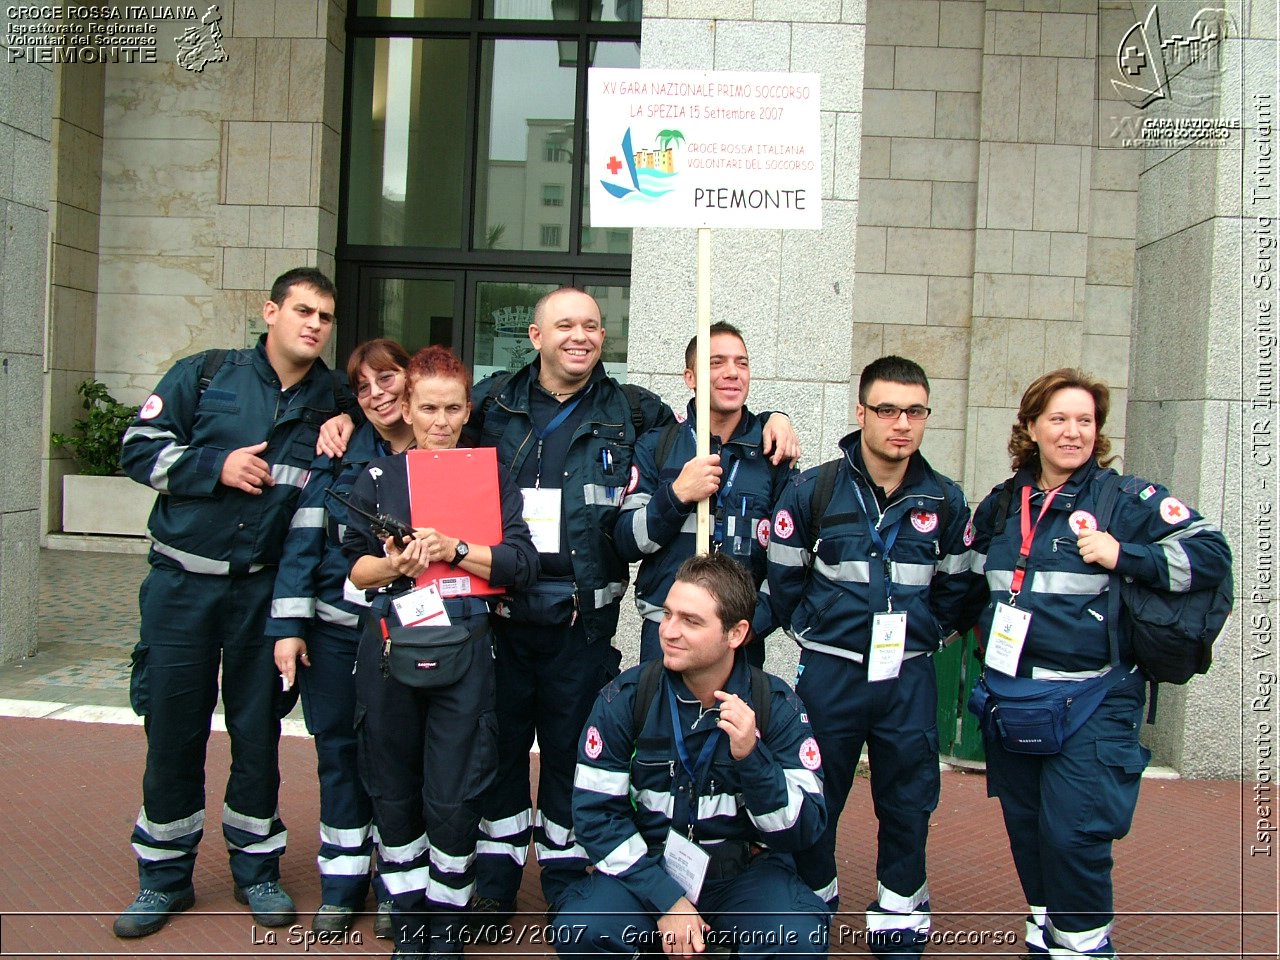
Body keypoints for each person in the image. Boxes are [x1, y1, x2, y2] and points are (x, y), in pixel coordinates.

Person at [461, 288, 800, 922]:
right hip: (502, 612)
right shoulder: (492, 403)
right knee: (499, 751)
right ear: (535, 336)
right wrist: (347, 417)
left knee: (571, 753)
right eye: (565, 324)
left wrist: (774, 415)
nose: (581, 335)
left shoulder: (635, 413)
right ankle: (497, 881)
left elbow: (718, 411)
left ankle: (569, 881)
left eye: (592, 324)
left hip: (579, 619)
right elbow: (427, 420)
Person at [960, 368, 1231, 959]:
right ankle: (1050, 931)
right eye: (1058, 418)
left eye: (1085, 420)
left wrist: (1126, 555)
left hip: (1094, 700)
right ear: (1031, 427)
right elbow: (965, 588)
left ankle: (1083, 946)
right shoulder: (1002, 506)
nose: (1072, 432)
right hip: (1014, 700)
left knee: (1073, 835)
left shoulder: (1128, 502)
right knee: (1028, 831)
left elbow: (1211, 553)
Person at [114, 267, 346, 938]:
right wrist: (212, 467)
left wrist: (344, 420)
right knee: (173, 730)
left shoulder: (335, 399)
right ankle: (163, 879)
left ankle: (257, 870)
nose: (314, 325)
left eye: (325, 316)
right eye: (303, 310)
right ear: (269, 311)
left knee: (259, 734)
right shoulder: (205, 374)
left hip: (262, 593)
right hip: (181, 589)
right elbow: (136, 449)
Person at [764, 356, 972, 958]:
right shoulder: (814, 490)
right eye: (886, 409)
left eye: (914, 411)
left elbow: (959, 589)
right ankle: (812, 899)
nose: (900, 423)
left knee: (908, 800)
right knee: (817, 791)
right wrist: (819, 631)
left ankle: (899, 913)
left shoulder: (947, 500)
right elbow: (785, 582)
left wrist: (925, 634)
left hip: (907, 675)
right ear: (861, 413)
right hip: (831, 673)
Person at [343, 345, 539, 959]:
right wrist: (394, 564)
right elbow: (353, 568)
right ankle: (408, 926)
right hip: (390, 650)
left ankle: (447, 929)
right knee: (394, 790)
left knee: (454, 796)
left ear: (467, 409)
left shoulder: (490, 474)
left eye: (453, 408)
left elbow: (521, 564)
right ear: (405, 406)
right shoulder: (375, 477)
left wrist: (456, 548)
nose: (440, 421)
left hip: (468, 650)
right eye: (427, 407)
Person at [554, 553, 829, 958]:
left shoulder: (776, 706)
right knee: (581, 928)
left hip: (742, 876)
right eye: (668, 614)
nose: (669, 631)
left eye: (691, 621)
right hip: (648, 868)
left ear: (736, 634)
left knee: (799, 938)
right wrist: (666, 899)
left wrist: (752, 758)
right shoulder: (626, 700)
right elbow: (596, 816)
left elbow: (804, 830)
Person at [268, 339, 416, 937]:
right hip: (334, 633)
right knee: (337, 752)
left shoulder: (443, 448)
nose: (377, 394)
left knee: (401, 760)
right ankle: (342, 881)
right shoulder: (337, 452)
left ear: (412, 380)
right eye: (362, 387)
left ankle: (394, 883)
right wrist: (288, 627)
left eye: (388, 379)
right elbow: (304, 539)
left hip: (410, 635)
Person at [614, 321, 797, 667]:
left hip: (739, 641)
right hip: (667, 633)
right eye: (716, 362)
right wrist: (676, 495)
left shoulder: (773, 454)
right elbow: (626, 541)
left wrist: (753, 626)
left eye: (741, 363)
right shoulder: (658, 447)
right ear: (690, 377)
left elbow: (788, 562)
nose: (732, 373)